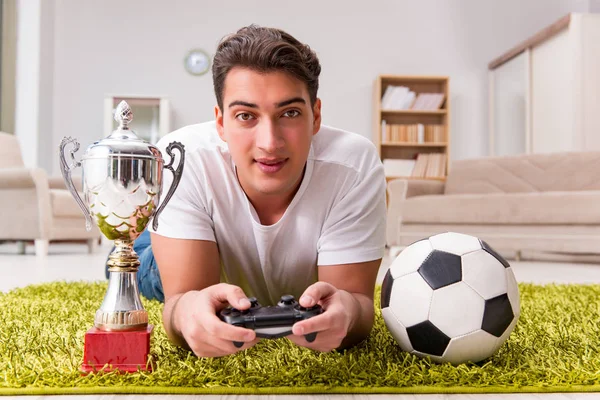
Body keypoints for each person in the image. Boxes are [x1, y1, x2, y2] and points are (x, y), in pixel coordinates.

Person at [108, 24, 386, 358]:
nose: (270, 143)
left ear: (316, 117)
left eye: (290, 113)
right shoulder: (182, 158)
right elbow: (182, 302)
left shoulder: (352, 166)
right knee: (135, 270)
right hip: (183, 243)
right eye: (245, 115)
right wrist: (188, 312)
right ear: (221, 123)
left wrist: (349, 313)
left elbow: (357, 303)